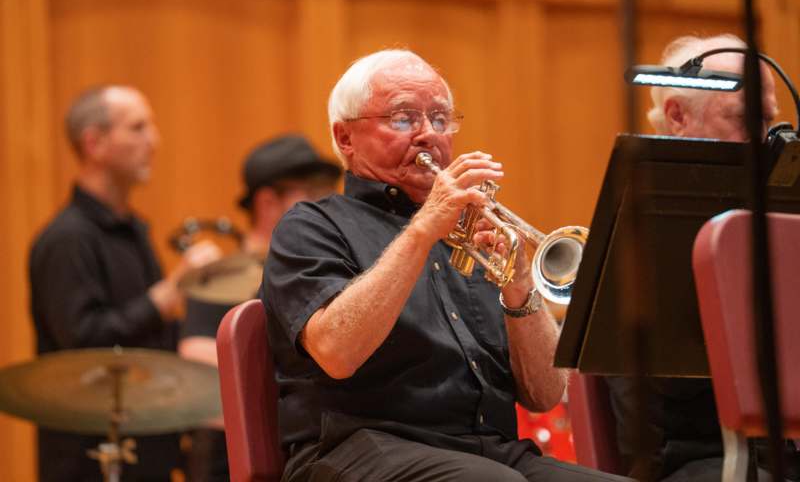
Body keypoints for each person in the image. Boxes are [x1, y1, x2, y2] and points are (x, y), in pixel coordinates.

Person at [263, 49, 632, 481]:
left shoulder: (469, 232)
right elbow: (336, 353)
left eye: (440, 120)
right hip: (358, 450)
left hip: (488, 450)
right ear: (345, 138)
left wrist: (517, 287)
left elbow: (544, 394)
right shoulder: (311, 226)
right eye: (403, 119)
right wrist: (421, 233)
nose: (427, 134)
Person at [606, 33, 799, 481]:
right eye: (742, 119)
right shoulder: (642, 228)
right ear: (677, 116)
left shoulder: (774, 215)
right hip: (693, 459)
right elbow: (664, 397)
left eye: (768, 122)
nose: (763, 140)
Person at [29, 85, 220, 482]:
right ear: (94, 143)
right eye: (137, 128)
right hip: (90, 459)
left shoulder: (133, 230)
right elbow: (83, 343)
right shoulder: (67, 239)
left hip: (147, 444)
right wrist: (167, 295)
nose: (154, 141)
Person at [178, 134, 341, 482]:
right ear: (268, 202)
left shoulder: (326, 267)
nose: (329, 204)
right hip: (234, 447)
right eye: (313, 193)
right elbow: (195, 354)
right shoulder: (223, 277)